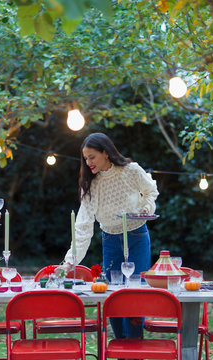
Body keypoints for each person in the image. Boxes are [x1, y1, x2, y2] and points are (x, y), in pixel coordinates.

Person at [61, 132, 159, 340]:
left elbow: (151, 191)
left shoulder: (131, 170)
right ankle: (121, 349)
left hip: (137, 237)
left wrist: (146, 207)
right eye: (85, 159)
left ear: (105, 153)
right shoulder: (91, 185)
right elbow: (83, 228)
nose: (88, 163)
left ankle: (135, 351)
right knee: (113, 297)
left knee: (135, 296)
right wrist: (70, 262)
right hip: (110, 240)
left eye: (92, 157)